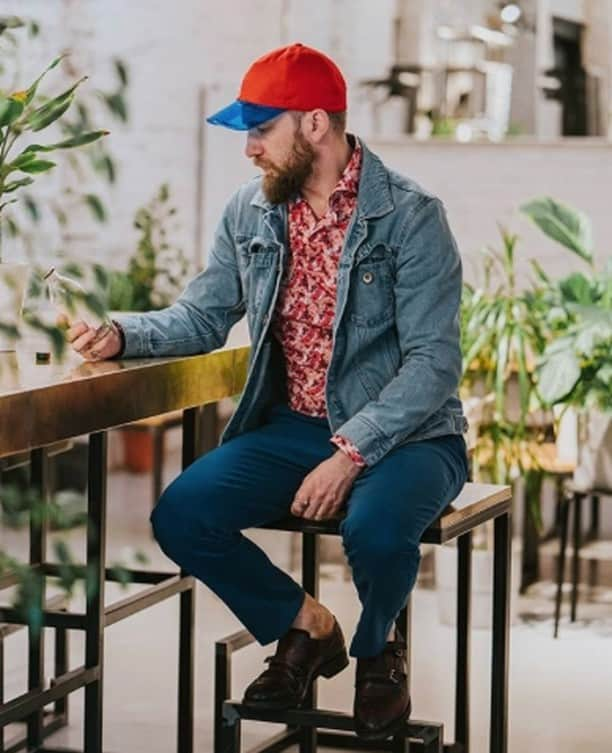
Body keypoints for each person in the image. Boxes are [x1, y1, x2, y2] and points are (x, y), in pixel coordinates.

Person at [66, 43, 468, 740]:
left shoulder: (410, 216)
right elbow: (201, 315)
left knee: (373, 528)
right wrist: (121, 334)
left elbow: (434, 364)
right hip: (295, 427)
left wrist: (350, 451)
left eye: (260, 129)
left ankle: (379, 652)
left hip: (412, 433)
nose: (249, 149)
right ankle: (304, 625)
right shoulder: (252, 213)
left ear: (315, 124)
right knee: (183, 514)